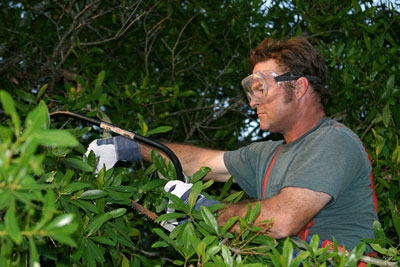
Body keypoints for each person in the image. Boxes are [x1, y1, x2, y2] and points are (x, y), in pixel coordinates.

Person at [86, 36, 378, 252]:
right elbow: (200, 162)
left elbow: (282, 219)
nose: (252, 101)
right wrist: (127, 148)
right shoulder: (266, 155)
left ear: (299, 87)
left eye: (261, 88)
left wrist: (200, 210)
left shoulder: (334, 141)